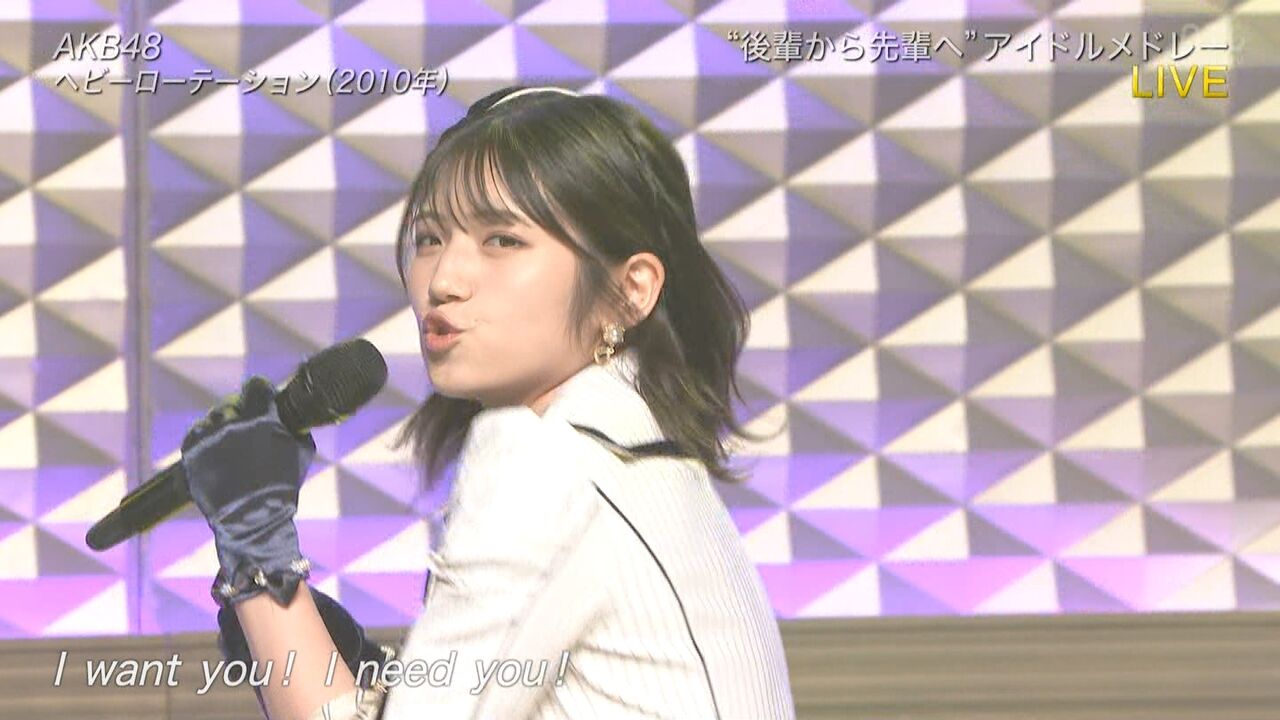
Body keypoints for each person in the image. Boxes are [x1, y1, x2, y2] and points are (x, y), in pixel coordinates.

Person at [180, 84, 795, 720]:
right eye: (429, 238)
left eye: (502, 240)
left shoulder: (547, 462)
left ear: (629, 289)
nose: (443, 280)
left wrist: (256, 551)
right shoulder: (634, 458)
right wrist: (355, 666)